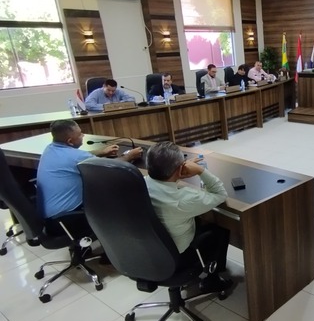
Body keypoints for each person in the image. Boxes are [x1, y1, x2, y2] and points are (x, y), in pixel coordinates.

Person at [144, 141, 232, 292]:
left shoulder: (140, 183)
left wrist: (176, 172)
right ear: (180, 169)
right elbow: (220, 194)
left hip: (146, 252)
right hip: (177, 259)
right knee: (220, 231)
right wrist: (200, 171)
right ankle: (212, 280)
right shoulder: (183, 199)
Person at [36, 119, 143, 222]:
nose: (83, 136)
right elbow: (111, 167)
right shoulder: (75, 156)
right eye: (80, 134)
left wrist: (101, 152)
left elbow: (76, 157)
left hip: (48, 215)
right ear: (70, 141)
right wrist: (129, 156)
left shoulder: (50, 149)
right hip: (65, 219)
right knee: (114, 188)